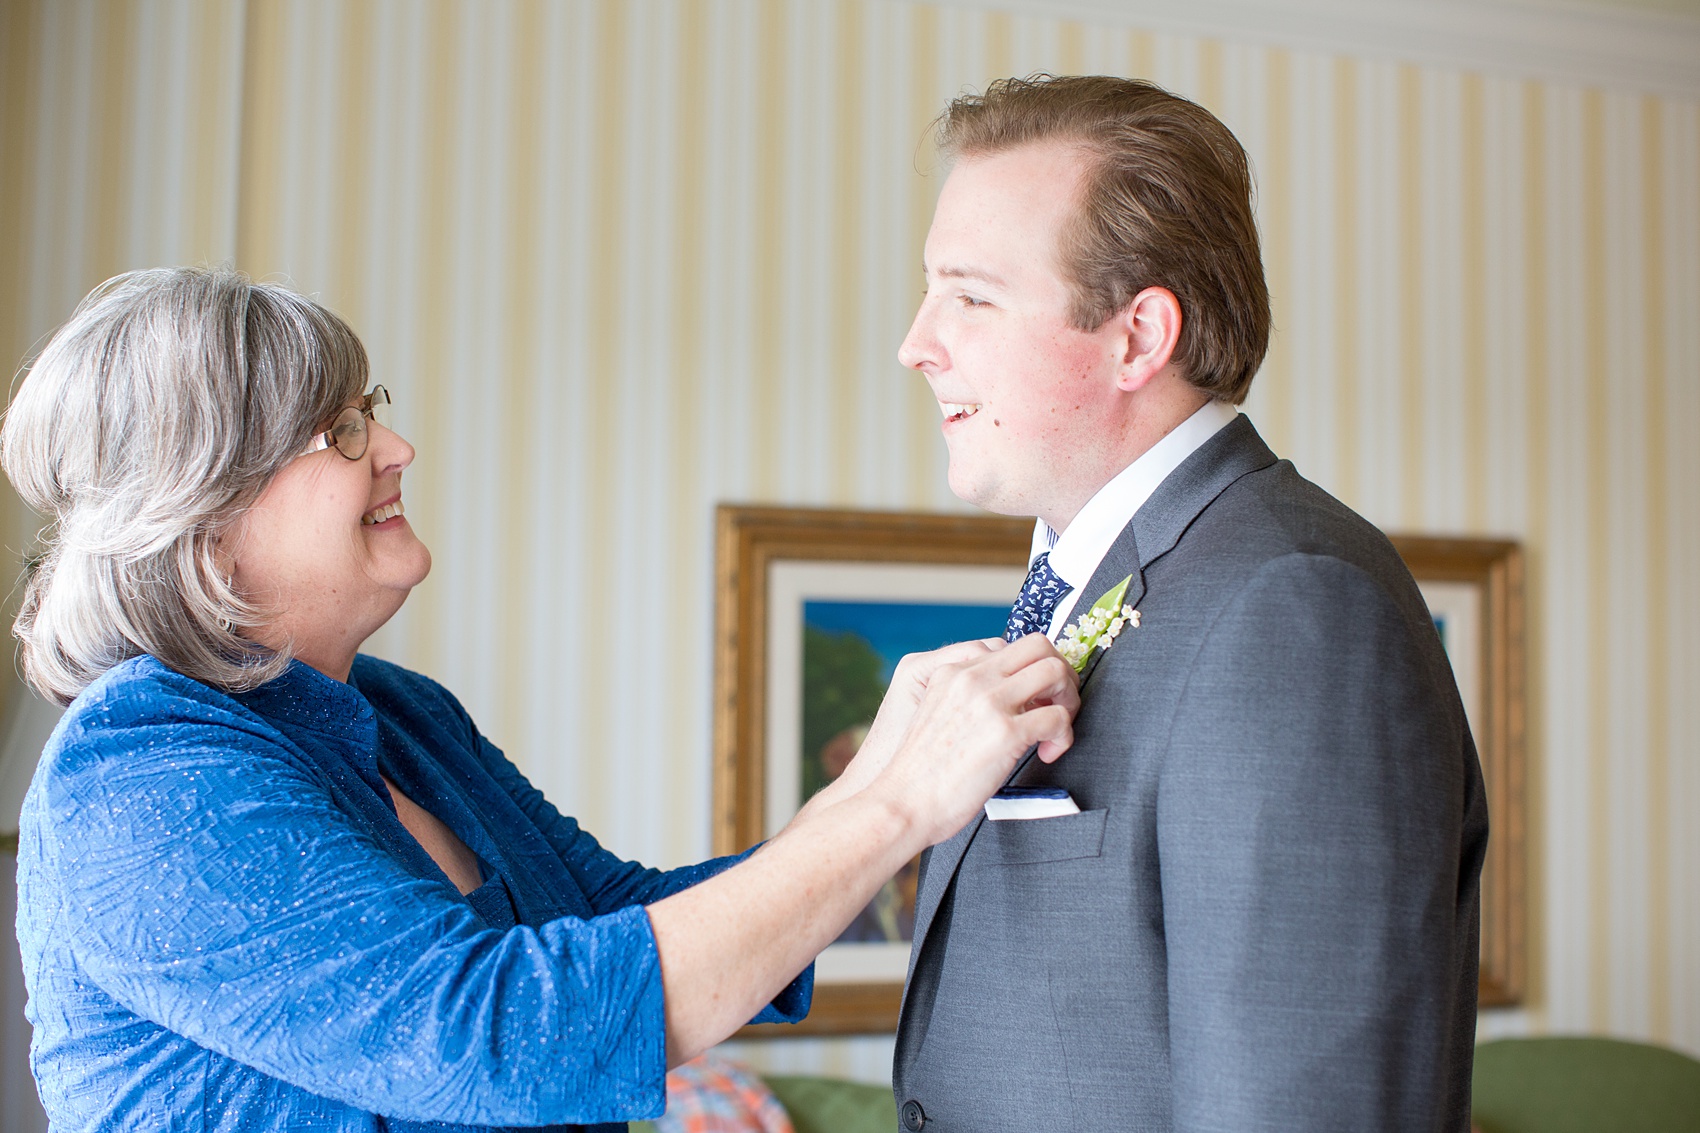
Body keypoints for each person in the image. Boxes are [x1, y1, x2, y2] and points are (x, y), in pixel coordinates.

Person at [4, 266, 1081, 1133]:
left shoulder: (402, 713)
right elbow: (500, 1035)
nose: (395, 448)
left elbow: (619, 915)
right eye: (338, 433)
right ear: (201, 518)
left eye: (366, 410)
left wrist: (895, 765)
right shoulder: (137, 776)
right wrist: (888, 804)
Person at [890, 76, 1489, 1132]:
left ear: (1136, 337)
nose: (917, 341)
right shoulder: (1082, 584)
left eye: (971, 295)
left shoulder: (1297, 610)